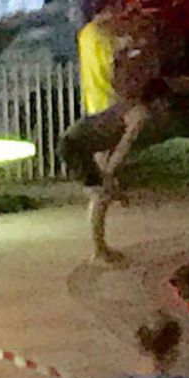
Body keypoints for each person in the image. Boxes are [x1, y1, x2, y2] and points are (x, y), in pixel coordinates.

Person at [59, 77, 174, 263]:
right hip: (75, 145)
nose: (166, 109)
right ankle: (99, 252)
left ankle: (101, 249)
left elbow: (108, 135)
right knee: (100, 196)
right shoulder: (140, 116)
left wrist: (110, 178)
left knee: (104, 192)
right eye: (165, 103)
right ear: (157, 100)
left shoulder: (131, 106)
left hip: (79, 142)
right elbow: (123, 146)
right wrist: (109, 174)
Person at [78, 2, 121, 114]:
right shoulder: (100, 35)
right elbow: (110, 60)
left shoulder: (85, 34)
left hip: (91, 95)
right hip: (106, 95)